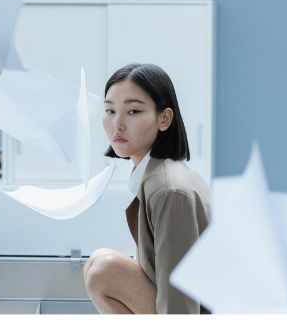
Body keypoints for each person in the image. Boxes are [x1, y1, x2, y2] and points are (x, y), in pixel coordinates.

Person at [83, 64, 211, 314]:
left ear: (164, 119)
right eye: (110, 110)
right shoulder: (155, 176)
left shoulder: (169, 190)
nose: (117, 124)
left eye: (133, 111)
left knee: (104, 271)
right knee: (98, 262)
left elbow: (180, 304)